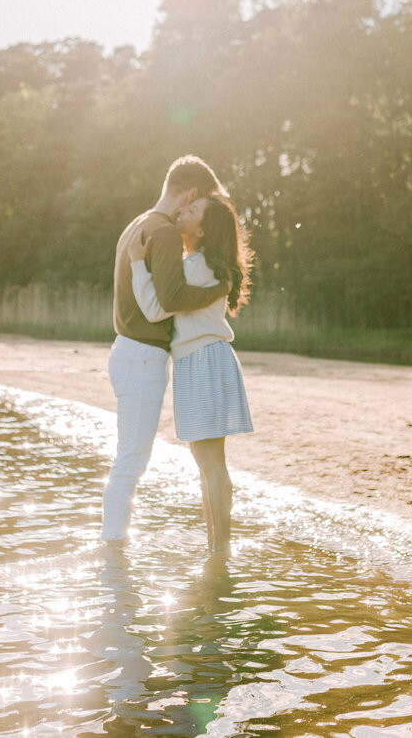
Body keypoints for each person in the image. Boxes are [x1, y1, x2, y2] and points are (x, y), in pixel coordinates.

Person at [102, 156, 229, 544]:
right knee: (131, 463)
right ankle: (113, 554)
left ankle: (113, 553)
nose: (193, 212)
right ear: (190, 193)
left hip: (125, 350)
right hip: (143, 357)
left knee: (128, 461)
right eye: (199, 202)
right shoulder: (166, 233)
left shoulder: (137, 224)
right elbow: (169, 300)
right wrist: (219, 289)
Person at [130, 193, 254, 555]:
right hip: (205, 359)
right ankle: (216, 548)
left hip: (202, 361)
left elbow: (155, 308)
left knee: (210, 464)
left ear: (202, 229)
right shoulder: (199, 264)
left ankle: (221, 551)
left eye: (192, 211)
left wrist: (139, 264)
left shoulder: (196, 266)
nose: (182, 212)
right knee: (208, 464)